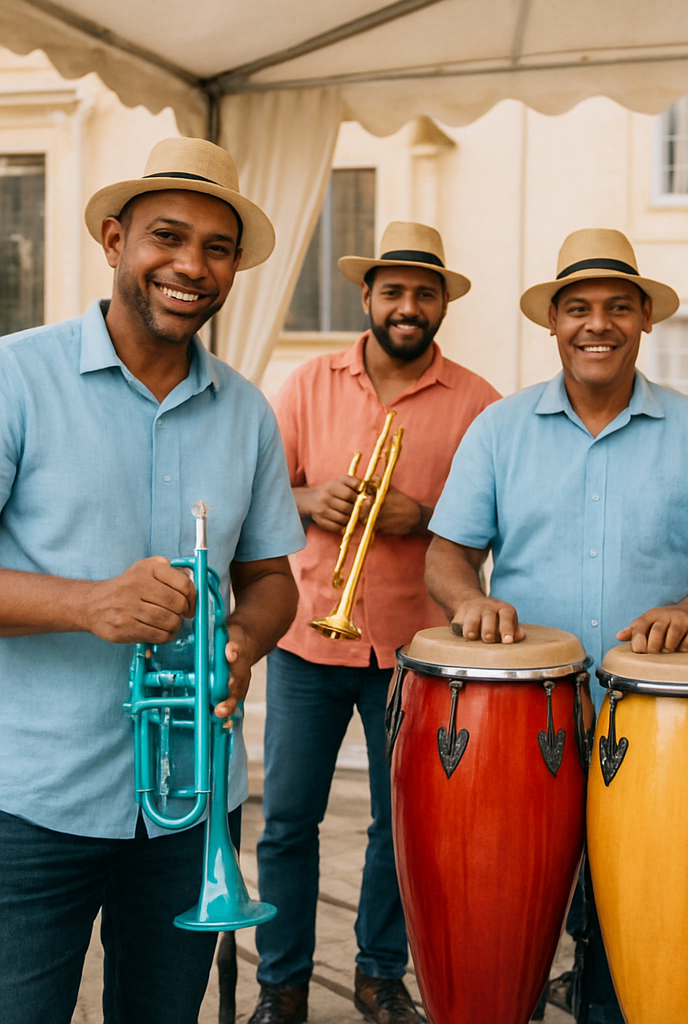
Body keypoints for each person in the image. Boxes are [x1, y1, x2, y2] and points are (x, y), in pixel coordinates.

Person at [424, 228, 688, 1024]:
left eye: (618, 307)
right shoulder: (500, 430)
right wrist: (465, 599)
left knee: (637, 935)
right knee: (503, 930)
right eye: (577, 308)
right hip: (518, 723)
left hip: (657, 732)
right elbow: (446, 554)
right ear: (553, 323)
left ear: (646, 318)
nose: (597, 324)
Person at [0, 137, 305, 1024]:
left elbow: (273, 579)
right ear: (112, 241)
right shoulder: (17, 376)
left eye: (218, 248)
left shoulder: (247, 409)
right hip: (34, 801)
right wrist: (88, 604)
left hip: (190, 805)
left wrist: (243, 641)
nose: (191, 266)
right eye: (167, 237)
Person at [249, 222, 501, 1024]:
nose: (407, 305)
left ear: (442, 306)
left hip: (416, 648)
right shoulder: (305, 382)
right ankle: (281, 983)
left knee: (402, 830)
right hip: (305, 639)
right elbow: (261, 496)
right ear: (367, 297)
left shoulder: (479, 403)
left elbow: (489, 525)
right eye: (393, 290)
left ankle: (378, 973)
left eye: (424, 293)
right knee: (288, 820)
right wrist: (306, 499)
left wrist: (421, 515)